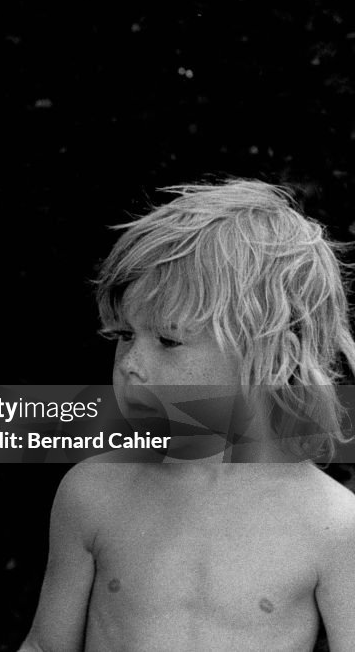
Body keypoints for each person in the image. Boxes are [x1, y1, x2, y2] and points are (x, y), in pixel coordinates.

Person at [19, 180, 355, 651]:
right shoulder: (92, 492)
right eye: (125, 336)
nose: (131, 363)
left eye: (169, 341)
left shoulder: (333, 524)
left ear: (274, 356)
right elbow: (45, 646)